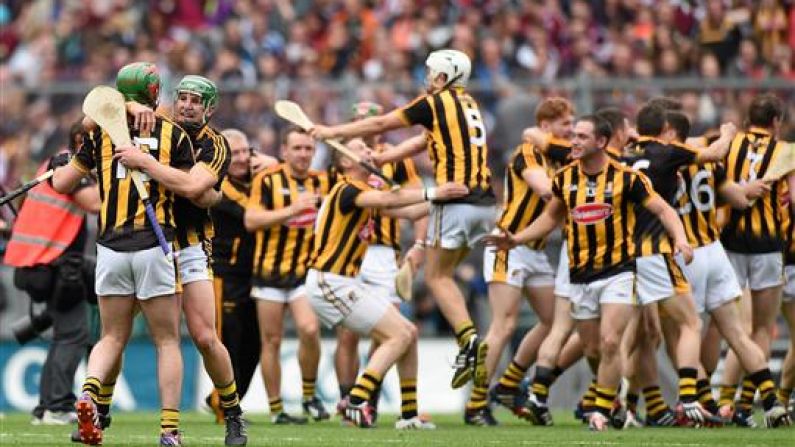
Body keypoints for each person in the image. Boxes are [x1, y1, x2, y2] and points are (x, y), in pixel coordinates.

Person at [485, 115, 693, 432]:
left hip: (619, 272)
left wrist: (680, 239)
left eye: (583, 136)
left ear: (601, 142)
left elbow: (663, 209)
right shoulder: (566, 179)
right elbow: (550, 218)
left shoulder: (627, 178)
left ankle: (600, 411)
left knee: (611, 342)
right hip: (581, 276)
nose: (575, 141)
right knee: (594, 349)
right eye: (575, 136)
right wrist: (517, 238)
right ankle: (608, 400)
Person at [311, 49, 496, 390]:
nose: (427, 79)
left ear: (442, 77)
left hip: (455, 198)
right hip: (485, 205)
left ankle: (469, 343)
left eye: (430, 74)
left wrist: (332, 130)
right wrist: (385, 157)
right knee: (447, 275)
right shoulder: (468, 105)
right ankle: (468, 343)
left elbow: (382, 124)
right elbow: (424, 141)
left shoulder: (433, 102)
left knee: (437, 277)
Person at [51, 62, 191, 446]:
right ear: (152, 92)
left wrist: (59, 165)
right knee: (166, 340)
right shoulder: (173, 135)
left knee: (111, 336)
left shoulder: (97, 138)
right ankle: (169, 430)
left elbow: (63, 183)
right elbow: (190, 187)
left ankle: (89, 393)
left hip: (111, 248)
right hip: (154, 244)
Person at [112, 74, 247, 445]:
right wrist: (133, 104)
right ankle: (100, 408)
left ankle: (233, 412)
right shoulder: (155, 124)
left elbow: (192, 188)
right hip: (147, 242)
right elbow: (99, 108)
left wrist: (147, 163)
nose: (187, 104)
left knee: (204, 336)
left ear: (210, 107)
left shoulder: (216, 144)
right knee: (117, 333)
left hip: (189, 245)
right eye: (182, 97)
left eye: (196, 100)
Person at [306, 138, 466, 428]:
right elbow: (389, 200)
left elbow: (407, 211)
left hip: (342, 282)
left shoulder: (363, 191)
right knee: (399, 335)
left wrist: (447, 200)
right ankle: (356, 400)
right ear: (344, 162)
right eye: (361, 149)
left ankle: (408, 414)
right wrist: (434, 191)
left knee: (409, 333)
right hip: (329, 281)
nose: (370, 152)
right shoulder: (348, 188)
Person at [666, 110, 791, 428]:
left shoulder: (659, 159)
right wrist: (753, 188)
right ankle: (772, 401)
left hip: (686, 254)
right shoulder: (710, 161)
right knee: (738, 331)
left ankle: (700, 403)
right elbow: (738, 197)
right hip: (716, 251)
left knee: (684, 331)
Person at [618, 103, 736, 426]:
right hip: (654, 251)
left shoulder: (620, 155)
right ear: (667, 130)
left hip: (621, 256)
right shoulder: (667, 153)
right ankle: (689, 399)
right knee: (689, 324)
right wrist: (727, 133)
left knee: (640, 333)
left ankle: (617, 403)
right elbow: (715, 153)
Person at [474, 98, 573, 426]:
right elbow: (545, 191)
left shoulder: (560, 160)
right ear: (545, 127)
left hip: (536, 250)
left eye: (572, 123)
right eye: (564, 124)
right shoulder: (528, 153)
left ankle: (508, 384)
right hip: (508, 245)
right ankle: (476, 403)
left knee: (551, 321)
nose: (570, 129)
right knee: (503, 325)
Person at [333, 101, 427, 417]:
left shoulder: (396, 158)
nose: (367, 127)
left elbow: (417, 202)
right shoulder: (342, 157)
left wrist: (420, 245)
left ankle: (367, 399)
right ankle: (348, 400)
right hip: (351, 253)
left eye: (372, 121)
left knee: (390, 329)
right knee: (348, 334)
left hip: (385, 252)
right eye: (359, 121)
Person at [4, 122, 99, 426]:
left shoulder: (53, 163)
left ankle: (46, 407)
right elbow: (95, 203)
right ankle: (57, 405)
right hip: (53, 265)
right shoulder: (71, 167)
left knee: (64, 335)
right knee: (74, 335)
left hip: (37, 264)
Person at [244, 126, 331, 424]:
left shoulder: (324, 181)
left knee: (309, 329)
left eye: (308, 148)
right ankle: (276, 409)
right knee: (272, 341)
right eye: (297, 148)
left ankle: (309, 396)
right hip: (268, 272)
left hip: (305, 273)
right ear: (284, 151)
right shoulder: (268, 180)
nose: (304, 154)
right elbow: (251, 220)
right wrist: (291, 210)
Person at [718, 93, 795, 425]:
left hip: (730, 243)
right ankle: (746, 404)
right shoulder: (786, 152)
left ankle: (723, 401)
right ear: (777, 122)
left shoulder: (728, 143)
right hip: (767, 246)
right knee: (762, 329)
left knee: (737, 329)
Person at [204, 129, 277, 421]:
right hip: (225, 276)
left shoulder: (259, 180)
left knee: (255, 345)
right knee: (229, 342)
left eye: (248, 152)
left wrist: (275, 163)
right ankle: (225, 406)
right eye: (236, 153)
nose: (243, 159)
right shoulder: (218, 186)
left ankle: (220, 399)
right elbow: (251, 216)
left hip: (256, 275)